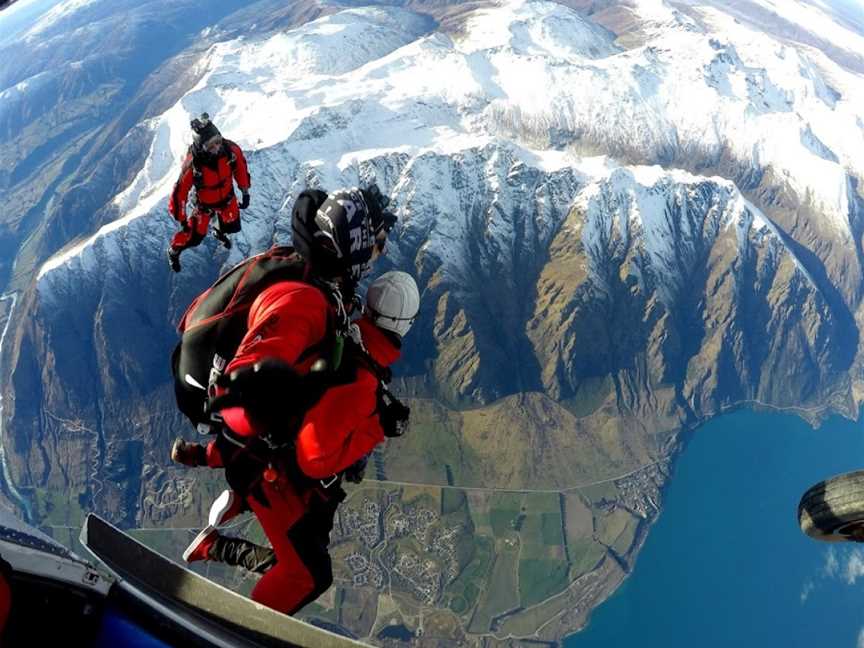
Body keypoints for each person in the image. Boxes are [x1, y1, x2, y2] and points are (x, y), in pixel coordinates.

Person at [169, 185, 404, 615]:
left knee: (313, 537)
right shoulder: (303, 301)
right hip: (255, 454)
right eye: (374, 245)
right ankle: (233, 635)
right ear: (354, 250)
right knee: (309, 574)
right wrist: (267, 408)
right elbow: (245, 380)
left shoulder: (319, 279)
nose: (377, 254)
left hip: (257, 448)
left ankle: (223, 543)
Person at [179, 271, 419, 591]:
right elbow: (314, 459)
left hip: (263, 457)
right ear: (405, 324)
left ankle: (224, 530)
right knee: (307, 577)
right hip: (275, 477)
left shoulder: (344, 336)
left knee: (309, 553)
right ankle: (236, 616)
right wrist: (376, 428)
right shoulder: (364, 378)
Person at [167, 112, 251, 272]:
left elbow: (240, 168)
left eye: (217, 142)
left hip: (227, 199)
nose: (216, 148)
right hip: (204, 205)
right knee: (194, 238)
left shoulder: (230, 150)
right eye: (210, 146)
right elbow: (179, 193)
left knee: (233, 225)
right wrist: (182, 219)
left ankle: (218, 229)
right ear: (200, 146)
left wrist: (245, 190)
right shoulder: (193, 164)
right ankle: (174, 250)